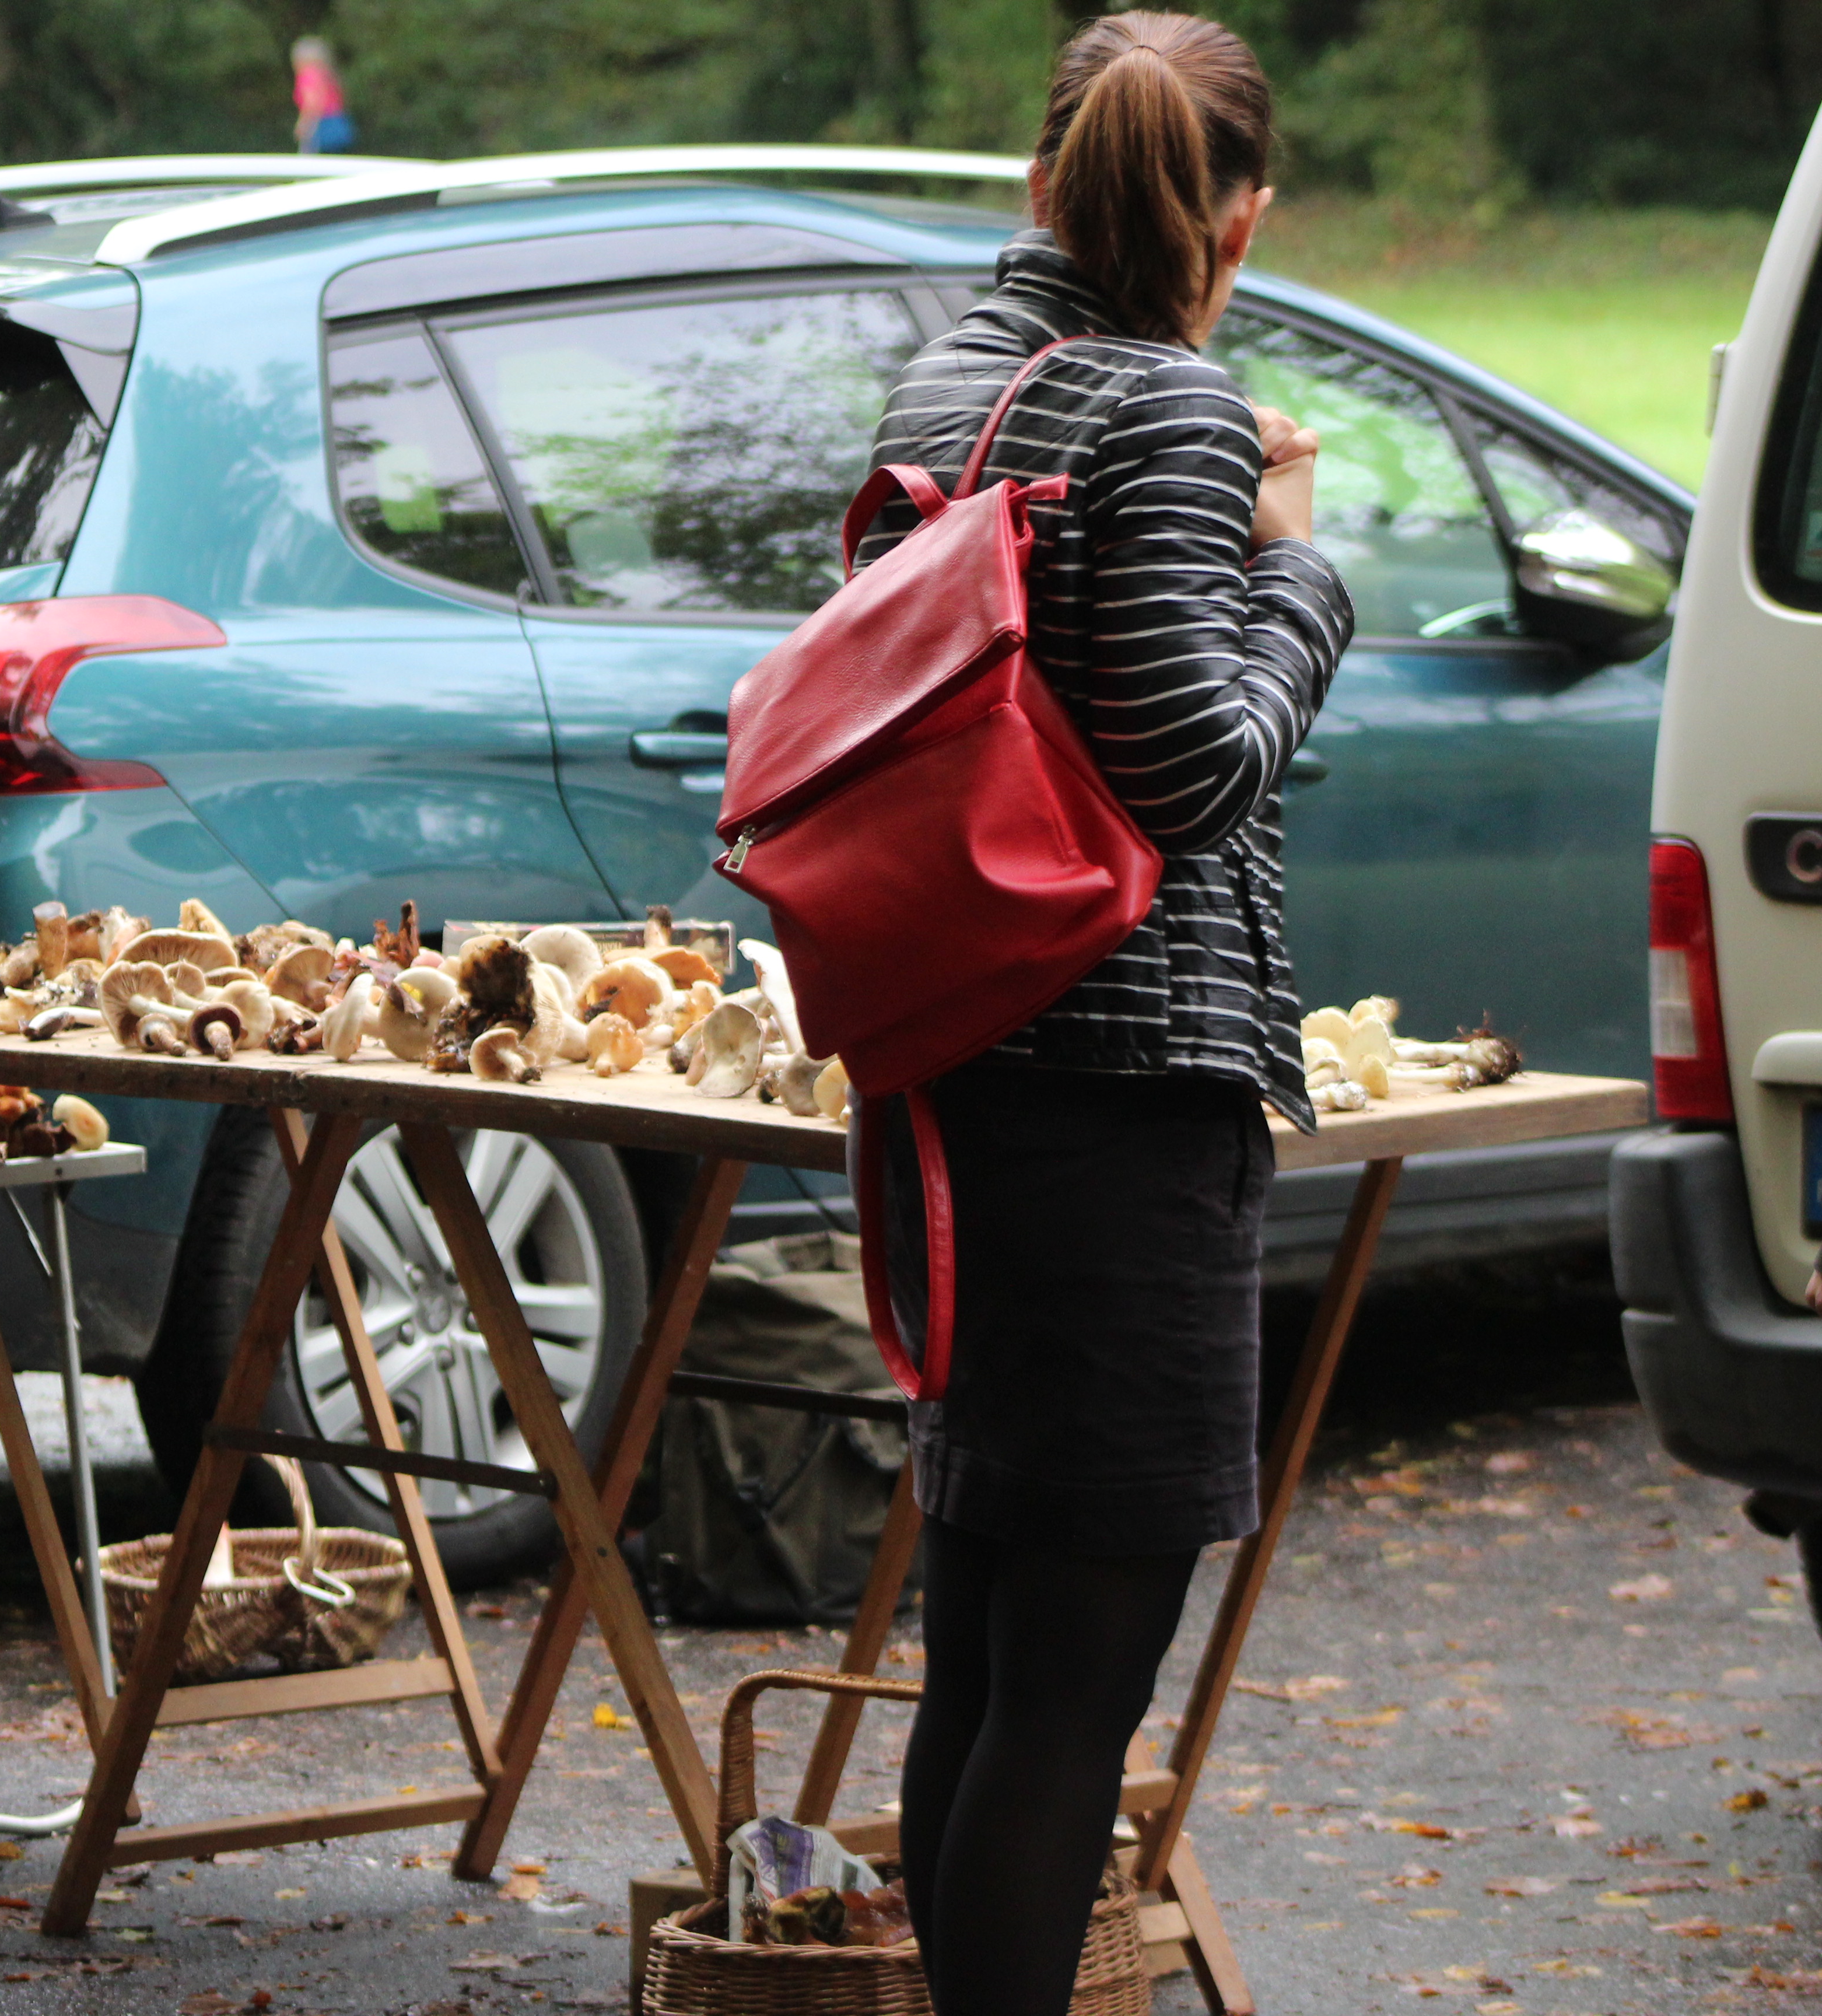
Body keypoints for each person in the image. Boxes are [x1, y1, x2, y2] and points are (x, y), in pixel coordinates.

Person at [849, 16, 1348, 2015]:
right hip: (1127, 1096)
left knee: (983, 1654)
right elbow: (1190, 770)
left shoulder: (950, 379)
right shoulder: (1172, 410)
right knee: (1073, 1686)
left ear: (1042, 182)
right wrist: (1298, 573)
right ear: (1242, 220)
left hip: (965, 1062)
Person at [292, 37, 355, 155]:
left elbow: (312, 104)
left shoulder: (308, 76)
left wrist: (303, 125)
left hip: (320, 125)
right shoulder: (329, 75)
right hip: (338, 122)